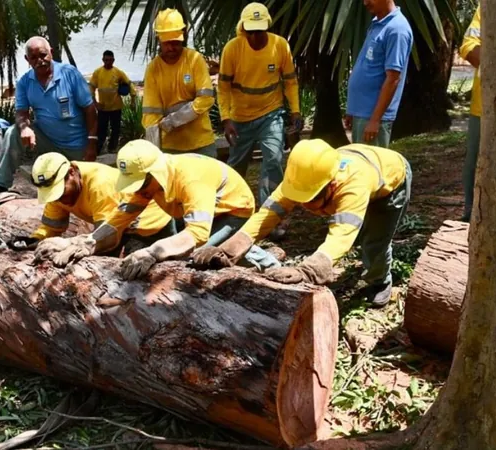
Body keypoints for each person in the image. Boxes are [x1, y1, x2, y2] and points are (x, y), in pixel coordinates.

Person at [192, 139, 411, 308]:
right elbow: (266, 215)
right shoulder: (301, 177)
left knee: (375, 242)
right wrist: (229, 249)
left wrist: (308, 271)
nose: (305, 205)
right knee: (361, 234)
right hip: (363, 164)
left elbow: (341, 236)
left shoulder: (354, 185)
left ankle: (380, 281)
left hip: (391, 183)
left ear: (331, 184)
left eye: (311, 198)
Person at [49, 140, 281, 279]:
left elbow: (197, 234)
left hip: (232, 211)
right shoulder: (148, 182)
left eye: (141, 184)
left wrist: (152, 252)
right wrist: (89, 242)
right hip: (195, 210)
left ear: (154, 173)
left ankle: (270, 266)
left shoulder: (191, 180)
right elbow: (121, 217)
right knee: (184, 254)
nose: (139, 190)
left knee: (203, 254)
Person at [7, 152, 175, 264]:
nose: (58, 198)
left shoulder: (100, 184)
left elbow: (106, 236)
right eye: (52, 194)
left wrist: (73, 245)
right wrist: (34, 240)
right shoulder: (58, 190)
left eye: (59, 191)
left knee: (136, 276)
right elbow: (52, 227)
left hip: (148, 224)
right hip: (114, 227)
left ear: (71, 172)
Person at [218, 2, 301, 206]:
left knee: (273, 159)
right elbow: (223, 87)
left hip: (271, 113)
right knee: (237, 165)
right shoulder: (232, 49)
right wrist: (226, 119)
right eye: (251, 32)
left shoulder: (280, 46)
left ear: (267, 28)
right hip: (241, 118)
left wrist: (296, 111)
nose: (255, 37)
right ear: (244, 29)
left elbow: (290, 81)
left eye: (260, 31)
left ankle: (271, 211)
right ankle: (230, 207)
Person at [0, 36, 98, 192]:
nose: (39, 61)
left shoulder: (70, 74)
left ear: (51, 53)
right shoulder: (24, 82)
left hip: (76, 147)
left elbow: (90, 109)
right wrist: (24, 128)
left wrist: (92, 144)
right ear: (27, 59)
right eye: (33, 58)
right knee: (13, 132)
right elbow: (21, 112)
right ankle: (1, 185)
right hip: (48, 144)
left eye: (43, 55)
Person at [142, 9, 217, 157]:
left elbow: (206, 99)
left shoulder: (195, 60)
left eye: (175, 42)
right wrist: (155, 155)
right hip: (171, 147)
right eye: (167, 43)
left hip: (201, 142)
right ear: (159, 40)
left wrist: (174, 120)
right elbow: (151, 115)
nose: (171, 47)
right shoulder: (153, 69)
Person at [344, 0, 413, 148]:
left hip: (373, 117)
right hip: (362, 114)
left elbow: (393, 79)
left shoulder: (397, 29)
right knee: (361, 167)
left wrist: (375, 120)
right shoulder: (377, 23)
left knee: (371, 168)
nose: (365, 3)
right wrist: (352, 109)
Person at [89, 50, 137, 153]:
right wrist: (95, 103)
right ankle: (98, 149)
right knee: (101, 130)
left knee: (116, 129)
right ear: (103, 60)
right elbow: (91, 88)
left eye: (110, 60)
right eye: (106, 60)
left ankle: (112, 148)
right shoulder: (98, 72)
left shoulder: (118, 72)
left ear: (113, 60)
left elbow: (130, 84)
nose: (108, 62)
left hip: (116, 107)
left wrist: (133, 99)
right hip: (103, 107)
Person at [459, 6, 481, 222]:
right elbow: (468, 47)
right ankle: (470, 215)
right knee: (475, 163)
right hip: (483, 107)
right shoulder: (489, 7)